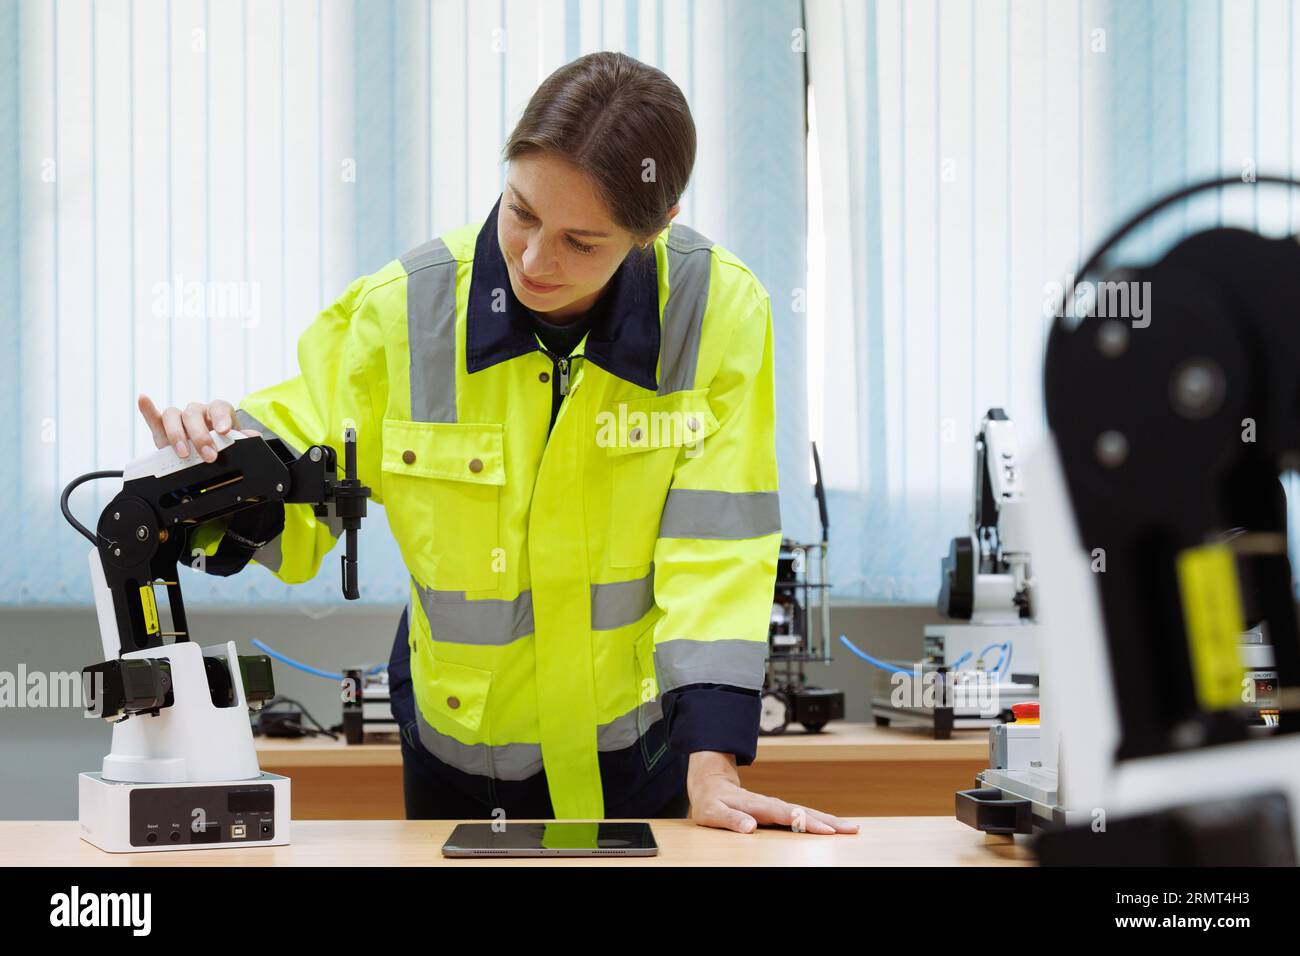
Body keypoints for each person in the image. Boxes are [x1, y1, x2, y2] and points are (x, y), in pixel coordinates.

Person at [138, 51, 857, 836]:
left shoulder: (715, 313)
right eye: (520, 212)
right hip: (457, 756)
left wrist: (712, 766)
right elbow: (296, 462)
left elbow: (717, 547)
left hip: (635, 753)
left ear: (657, 228)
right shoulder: (404, 311)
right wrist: (212, 456)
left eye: (582, 242)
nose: (535, 261)